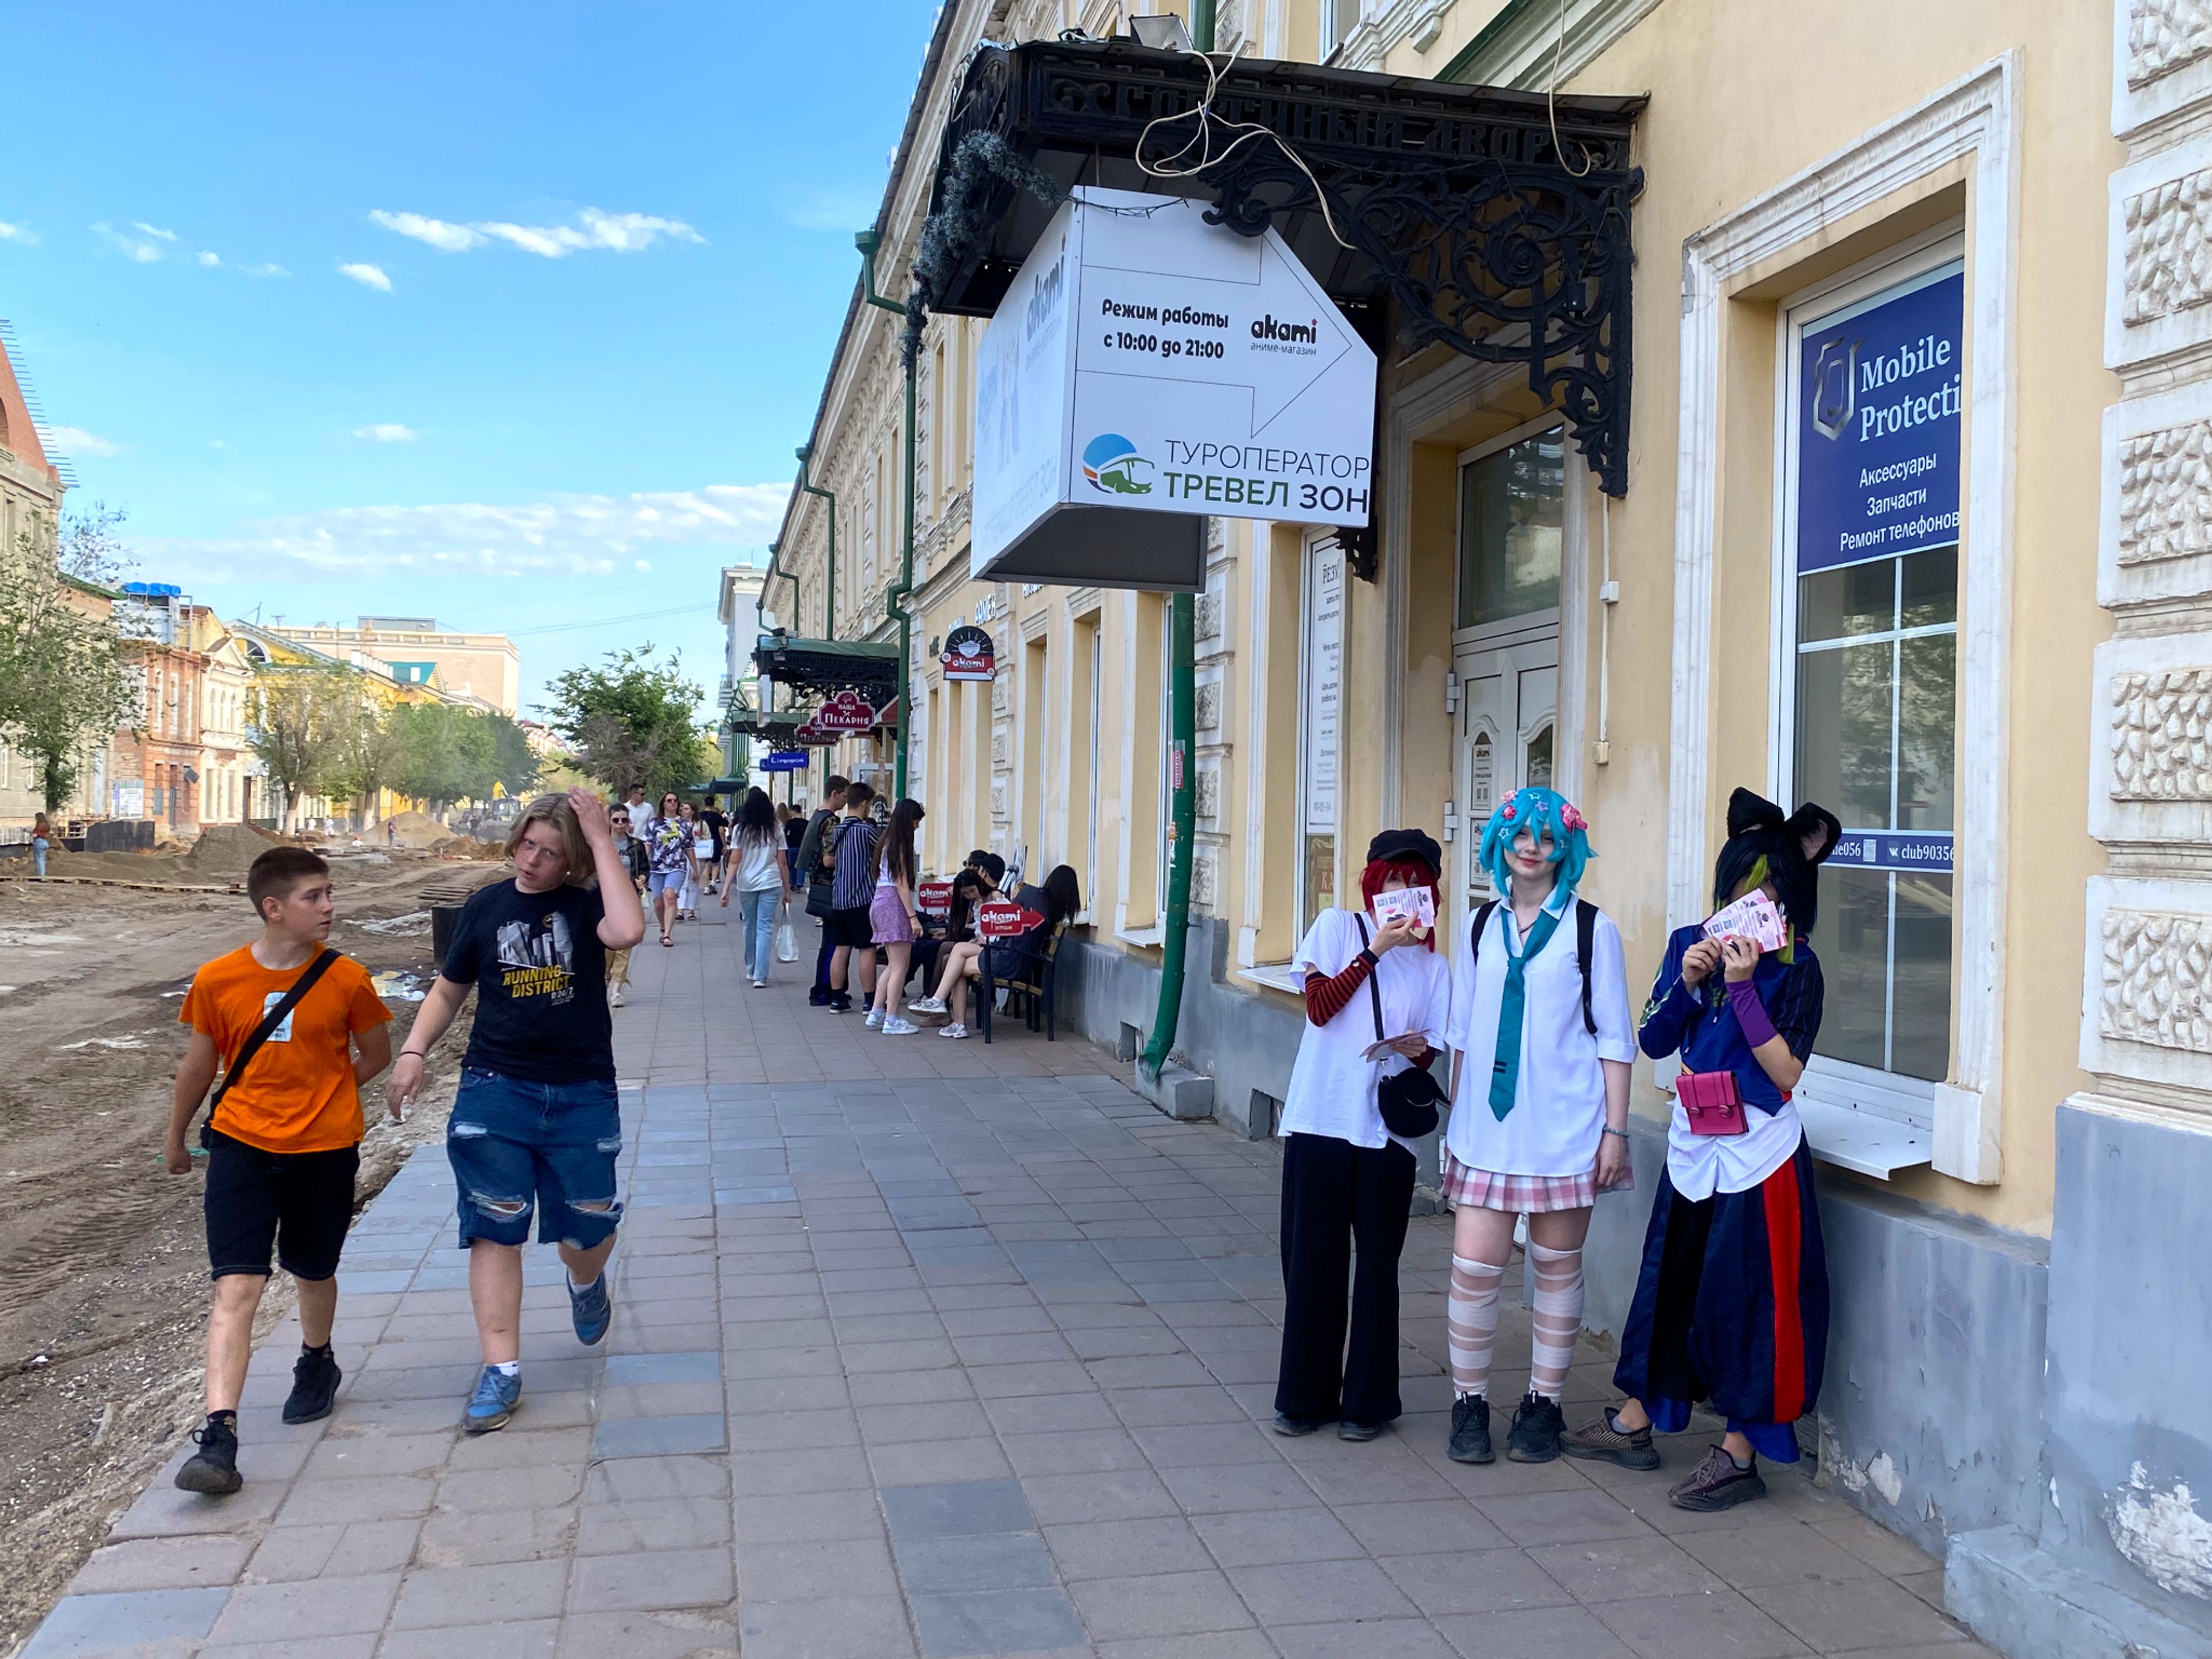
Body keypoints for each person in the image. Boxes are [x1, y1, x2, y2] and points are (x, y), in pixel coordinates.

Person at [1561, 788, 1841, 1511]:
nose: (1755, 901)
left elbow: (1785, 1075)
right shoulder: (1693, 942)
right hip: (1694, 1145)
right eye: (1745, 886)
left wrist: (1745, 989)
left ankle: (1741, 1450)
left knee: (1753, 1300)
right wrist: (1689, 983)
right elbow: (1653, 1038)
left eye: (1771, 888)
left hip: (1761, 1156)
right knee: (1672, 1281)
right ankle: (1637, 1420)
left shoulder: (1799, 967)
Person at [388, 788, 648, 1433]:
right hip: (495, 1086)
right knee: (494, 1224)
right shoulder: (486, 906)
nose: (531, 861)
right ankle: (501, 1371)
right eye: (527, 845)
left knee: (586, 1229)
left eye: (551, 852)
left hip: (581, 1090)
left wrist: (602, 838)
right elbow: (449, 991)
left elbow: (629, 931)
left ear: (572, 863)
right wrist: (414, 1051)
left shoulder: (589, 905)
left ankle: (585, 1282)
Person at [163, 847, 396, 1493]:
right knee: (235, 1285)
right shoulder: (217, 979)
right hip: (239, 1147)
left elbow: (375, 1053)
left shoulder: (348, 978)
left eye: (329, 895)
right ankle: (219, 1436)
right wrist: (176, 1137)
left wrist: (327, 1096)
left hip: (324, 1151)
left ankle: (316, 1361)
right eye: (314, 897)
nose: (329, 907)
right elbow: (199, 1065)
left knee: (313, 1269)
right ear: (274, 908)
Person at [1439, 788, 1636, 1466]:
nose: (1532, 847)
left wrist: (1616, 1133)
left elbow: (1615, 1038)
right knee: (1473, 1269)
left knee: (1555, 1269)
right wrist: (1454, 1126)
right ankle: (1468, 1405)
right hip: (1488, 1132)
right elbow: (1462, 1031)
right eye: (1520, 835)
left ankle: (1542, 1406)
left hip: (1563, 1129)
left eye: (1547, 838)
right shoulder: (1475, 927)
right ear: (1500, 844)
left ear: (1565, 849)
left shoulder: (1591, 929)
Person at [1272, 831, 1452, 1441]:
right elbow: (1320, 1007)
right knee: (1312, 1262)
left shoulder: (1433, 966)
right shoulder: (1337, 927)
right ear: (1374, 882)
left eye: (1417, 884)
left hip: (1385, 1134)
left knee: (1378, 1269)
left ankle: (1367, 1404)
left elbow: (1432, 1050)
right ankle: (1304, 1397)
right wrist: (1374, 951)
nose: (1404, 893)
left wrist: (1411, 1049)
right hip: (1321, 1119)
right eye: (1394, 880)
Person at [719, 787, 791, 988]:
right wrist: (788, 889)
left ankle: (751, 969)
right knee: (765, 927)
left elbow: (734, 861)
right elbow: (782, 862)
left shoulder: (740, 830)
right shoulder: (776, 828)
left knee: (749, 925)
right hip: (771, 881)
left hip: (746, 883)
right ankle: (761, 975)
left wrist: (725, 890)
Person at [866, 798, 927, 1034]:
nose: (917, 826)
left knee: (892, 965)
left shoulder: (886, 843)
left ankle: (876, 1012)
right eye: (916, 821)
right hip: (894, 905)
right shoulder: (901, 846)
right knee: (901, 967)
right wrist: (913, 917)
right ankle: (891, 1019)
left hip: (880, 902)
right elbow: (902, 884)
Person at [822, 781, 879, 1013]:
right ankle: (869, 1000)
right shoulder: (866, 831)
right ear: (865, 804)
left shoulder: (838, 830)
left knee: (841, 948)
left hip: (839, 899)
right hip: (862, 899)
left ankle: (837, 999)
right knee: (867, 950)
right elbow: (883, 853)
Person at [796, 778, 849, 1006]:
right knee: (833, 942)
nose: (847, 802)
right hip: (831, 888)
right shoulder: (831, 822)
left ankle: (829, 986)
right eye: (845, 796)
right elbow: (829, 859)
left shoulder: (816, 816)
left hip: (818, 885)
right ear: (835, 793)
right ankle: (824, 989)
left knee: (829, 940)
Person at [606, 803, 650, 1008]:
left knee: (625, 945)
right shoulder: (600, 844)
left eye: (625, 820)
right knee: (607, 947)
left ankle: (616, 989)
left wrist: (642, 878)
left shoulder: (635, 845)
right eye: (616, 820)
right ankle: (607, 977)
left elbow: (644, 868)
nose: (621, 824)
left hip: (628, 899)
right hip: (604, 900)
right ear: (609, 821)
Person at [645, 793, 689, 946]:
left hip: (678, 865)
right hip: (657, 867)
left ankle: (668, 935)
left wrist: (696, 870)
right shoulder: (654, 823)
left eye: (676, 800)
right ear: (663, 803)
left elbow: (689, 847)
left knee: (670, 896)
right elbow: (648, 844)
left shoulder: (685, 824)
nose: (673, 803)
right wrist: (643, 866)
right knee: (658, 902)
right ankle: (663, 928)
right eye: (669, 800)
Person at [677, 801, 707, 921]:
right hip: (683, 856)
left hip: (697, 855)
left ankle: (691, 910)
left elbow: (708, 838)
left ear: (693, 811)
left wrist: (700, 837)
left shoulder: (700, 824)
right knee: (683, 884)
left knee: (694, 883)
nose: (684, 811)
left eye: (686, 809)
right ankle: (680, 910)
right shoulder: (678, 823)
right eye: (683, 809)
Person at [699, 797, 729, 898]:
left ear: (705, 804)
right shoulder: (717, 817)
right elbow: (721, 831)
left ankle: (706, 888)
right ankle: (713, 883)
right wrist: (724, 844)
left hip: (703, 842)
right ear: (713, 804)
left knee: (705, 865)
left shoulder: (700, 816)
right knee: (716, 863)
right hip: (716, 841)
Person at [31, 811, 51, 879]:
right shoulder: (47, 825)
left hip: (39, 843)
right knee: (42, 859)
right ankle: (42, 874)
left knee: (39, 860)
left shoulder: (39, 826)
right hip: (45, 843)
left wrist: (30, 833)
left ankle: (41, 876)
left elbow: (35, 835)